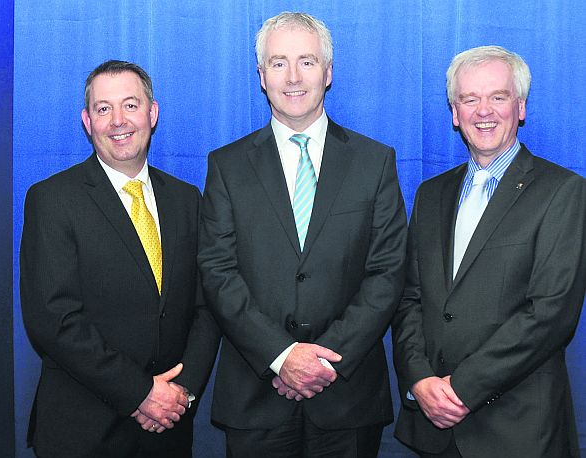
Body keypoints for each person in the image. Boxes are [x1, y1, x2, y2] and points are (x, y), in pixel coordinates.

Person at [198, 12, 407, 458]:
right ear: (261, 76)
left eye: (307, 62)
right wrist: (281, 356)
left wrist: (321, 362)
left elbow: (387, 273)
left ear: (328, 73)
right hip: (257, 397)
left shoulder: (375, 162)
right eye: (278, 63)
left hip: (346, 399)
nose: (292, 77)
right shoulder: (227, 166)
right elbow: (218, 272)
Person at [392, 45, 586, 457]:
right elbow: (409, 298)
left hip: (518, 432)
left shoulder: (563, 192)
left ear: (520, 108)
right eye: (469, 99)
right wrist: (419, 380)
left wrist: (460, 389)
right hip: (434, 427)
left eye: (498, 97)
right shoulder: (431, 195)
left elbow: (550, 313)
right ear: (454, 112)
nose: (484, 111)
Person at [20, 60, 219, 458]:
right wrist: (140, 393)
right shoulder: (53, 200)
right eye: (103, 108)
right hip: (84, 432)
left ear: (152, 113)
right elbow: (53, 320)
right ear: (87, 121)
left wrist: (179, 393)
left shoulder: (186, 200)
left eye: (130, 105)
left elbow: (207, 306)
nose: (118, 121)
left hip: (168, 429)